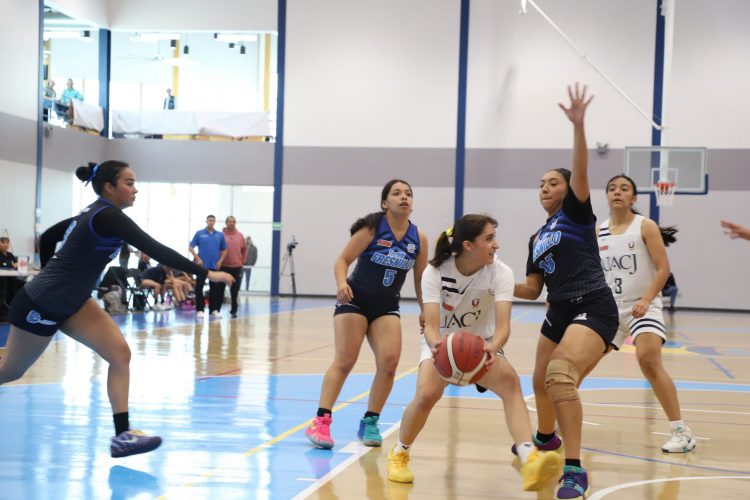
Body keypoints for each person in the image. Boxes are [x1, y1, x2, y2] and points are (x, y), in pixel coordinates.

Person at [0, 160, 234, 458]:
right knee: (10, 371)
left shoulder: (93, 212)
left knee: (120, 354)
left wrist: (54, 274)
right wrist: (208, 274)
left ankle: (122, 436)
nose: (135, 190)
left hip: (75, 302)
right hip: (42, 302)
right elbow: (157, 249)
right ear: (109, 187)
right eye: (129, 183)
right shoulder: (107, 216)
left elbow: (48, 238)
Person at [386, 215, 562, 491]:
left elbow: (503, 328)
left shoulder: (500, 272)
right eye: (489, 239)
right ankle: (399, 453)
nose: (496, 244)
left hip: (483, 342)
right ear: (468, 245)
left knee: (511, 384)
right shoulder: (435, 272)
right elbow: (430, 326)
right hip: (442, 342)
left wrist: (491, 347)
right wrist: (437, 347)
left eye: (494, 237)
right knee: (427, 394)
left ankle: (529, 456)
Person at [514, 83, 618, 500]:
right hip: (557, 310)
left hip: (593, 305)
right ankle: (546, 441)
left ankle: (574, 469)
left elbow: (581, 169)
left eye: (553, 182)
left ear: (568, 188)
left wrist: (578, 126)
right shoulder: (536, 237)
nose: (544, 187)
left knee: (559, 376)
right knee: (539, 381)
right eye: (540, 183)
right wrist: (490, 281)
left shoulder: (575, 214)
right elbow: (531, 289)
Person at [305, 179, 428, 450]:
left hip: (386, 306)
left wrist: (425, 309)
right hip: (355, 300)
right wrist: (341, 283)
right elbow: (342, 260)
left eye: (408, 194)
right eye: (396, 193)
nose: (404, 197)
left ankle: (370, 421)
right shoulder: (372, 228)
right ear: (385, 203)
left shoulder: (418, 237)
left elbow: (421, 278)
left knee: (389, 363)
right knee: (345, 360)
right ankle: (321, 421)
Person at [594, 174, 695, 453]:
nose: (617, 192)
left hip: (643, 306)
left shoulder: (645, 226)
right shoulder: (599, 231)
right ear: (607, 195)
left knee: (648, 360)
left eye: (624, 188)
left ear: (633, 197)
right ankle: (555, 423)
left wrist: (647, 298)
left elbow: (663, 269)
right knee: (579, 360)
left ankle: (681, 432)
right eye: (612, 188)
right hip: (610, 308)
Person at [189, 215, 227, 319]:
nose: (211, 222)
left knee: (214, 289)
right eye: (209, 220)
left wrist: (220, 261)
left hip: (214, 266)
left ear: (215, 222)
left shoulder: (219, 235)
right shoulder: (199, 233)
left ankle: (213, 310)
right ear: (206, 221)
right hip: (202, 266)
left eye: (213, 220)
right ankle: (200, 310)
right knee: (199, 288)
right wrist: (197, 258)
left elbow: (224, 249)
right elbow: (191, 247)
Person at [220, 216, 246, 318]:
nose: (231, 223)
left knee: (234, 290)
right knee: (220, 290)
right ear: (226, 223)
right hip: (223, 266)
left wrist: (242, 262)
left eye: (233, 222)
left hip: (236, 267)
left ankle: (234, 310)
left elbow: (244, 250)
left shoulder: (240, 236)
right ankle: (216, 310)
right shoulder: (221, 235)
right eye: (229, 221)